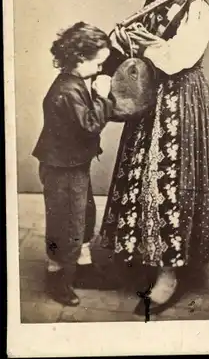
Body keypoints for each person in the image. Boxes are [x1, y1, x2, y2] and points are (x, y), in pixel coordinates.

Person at [99, 0, 209, 314]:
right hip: (148, 99)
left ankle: (169, 272)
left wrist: (146, 44)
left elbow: (179, 57)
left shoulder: (197, 6)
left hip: (180, 102)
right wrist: (123, 39)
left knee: (172, 178)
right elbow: (140, 50)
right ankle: (143, 256)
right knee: (143, 176)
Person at [32, 22, 113, 306]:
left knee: (83, 214)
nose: (102, 69)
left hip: (73, 164)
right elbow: (90, 125)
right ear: (80, 58)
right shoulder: (68, 90)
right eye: (99, 63)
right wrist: (103, 95)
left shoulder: (75, 83)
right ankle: (57, 277)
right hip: (61, 168)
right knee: (64, 221)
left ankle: (83, 268)